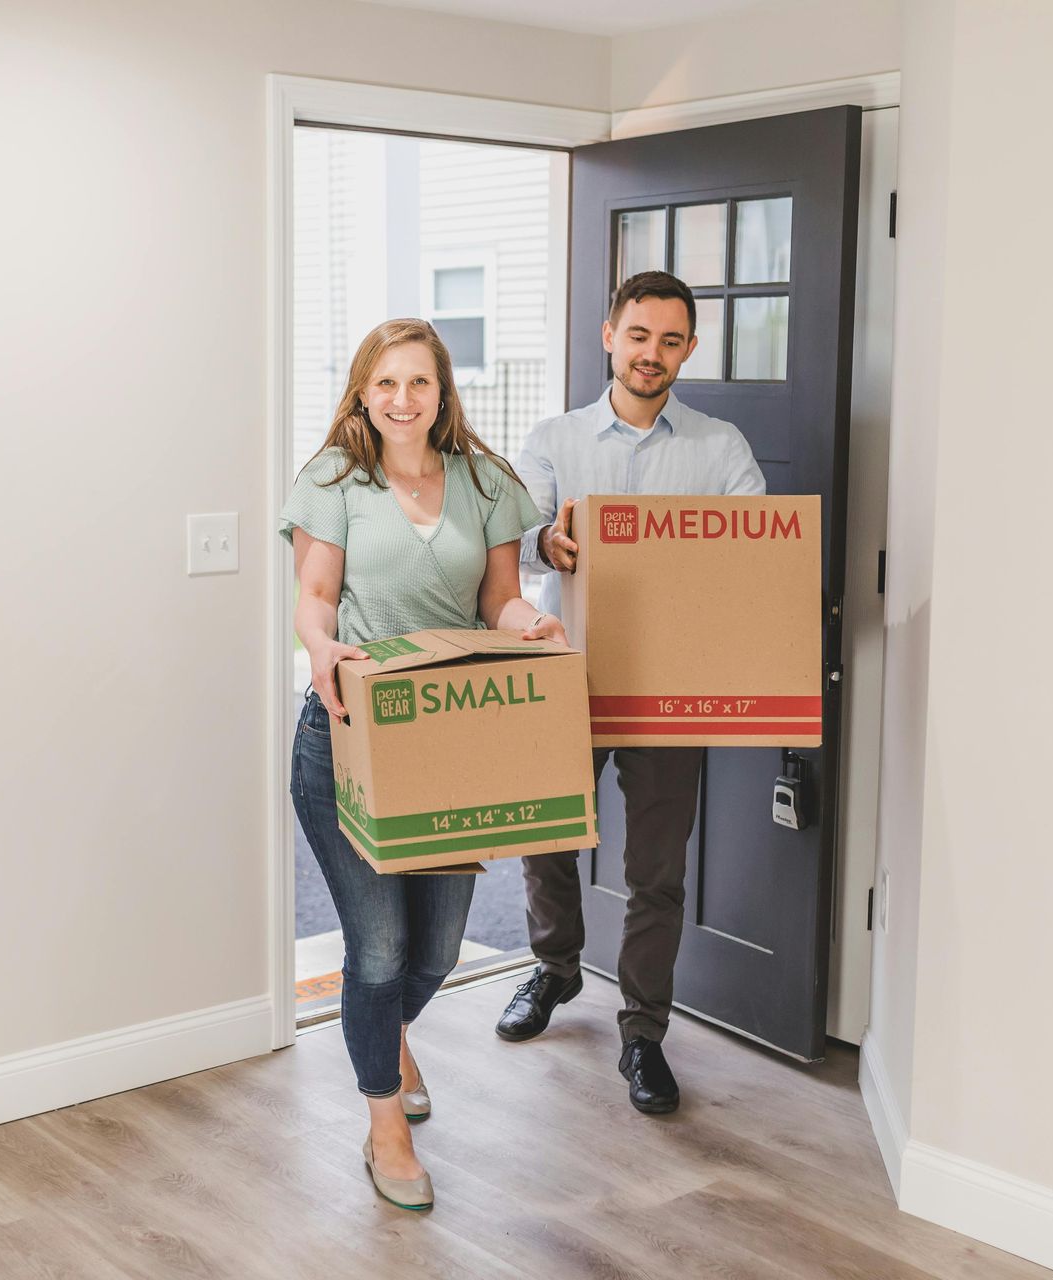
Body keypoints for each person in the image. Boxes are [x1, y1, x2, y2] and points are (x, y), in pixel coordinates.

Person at [282, 317, 562, 1210]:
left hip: (447, 743)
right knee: (379, 949)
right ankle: (384, 1129)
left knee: (437, 951)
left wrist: (533, 628)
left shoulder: (486, 482)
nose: (403, 400)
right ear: (363, 390)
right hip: (348, 739)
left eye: (420, 383)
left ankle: (389, 1035)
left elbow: (501, 602)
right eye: (387, 383)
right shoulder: (334, 480)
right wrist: (321, 650)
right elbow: (315, 600)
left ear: (445, 392)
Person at [496, 270, 765, 1116]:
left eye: (671, 340)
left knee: (656, 868)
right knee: (546, 834)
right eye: (639, 335)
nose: (653, 354)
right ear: (610, 334)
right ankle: (555, 968)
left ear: (690, 348)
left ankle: (644, 1033)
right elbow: (517, 538)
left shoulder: (720, 448)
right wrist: (550, 539)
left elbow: (757, 553)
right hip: (566, 669)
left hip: (670, 688)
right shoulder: (553, 437)